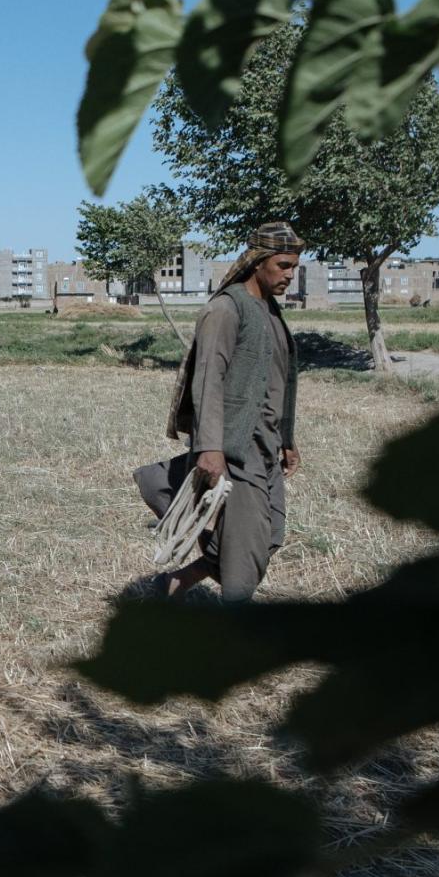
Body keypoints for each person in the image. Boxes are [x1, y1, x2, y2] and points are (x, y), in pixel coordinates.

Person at [134, 222, 303, 602]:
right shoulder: (226, 310)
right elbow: (208, 381)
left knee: (271, 534)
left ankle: (175, 580)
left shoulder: (270, 312)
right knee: (245, 553)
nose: (290, 275)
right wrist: (210, 447)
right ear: (258, 262)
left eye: (294, 266)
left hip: (266, 445)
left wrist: (287, 440)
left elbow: (278, 383)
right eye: (283, 265)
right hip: (234, 447)